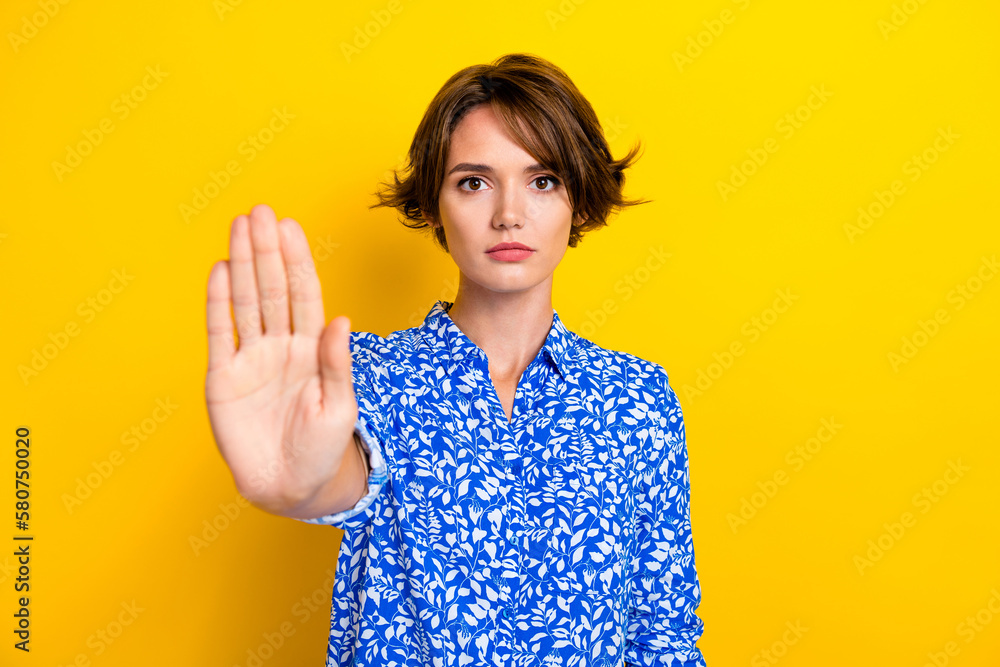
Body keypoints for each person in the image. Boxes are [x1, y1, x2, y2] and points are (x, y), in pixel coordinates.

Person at [204, 53, 706, 666]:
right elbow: (340, 478)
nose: (509, 214)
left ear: (578, 197)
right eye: (474, 181)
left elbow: (664, 634)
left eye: (542, 179)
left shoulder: (638, 398)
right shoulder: (363, 377)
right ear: (434, 203)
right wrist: (302, 486)